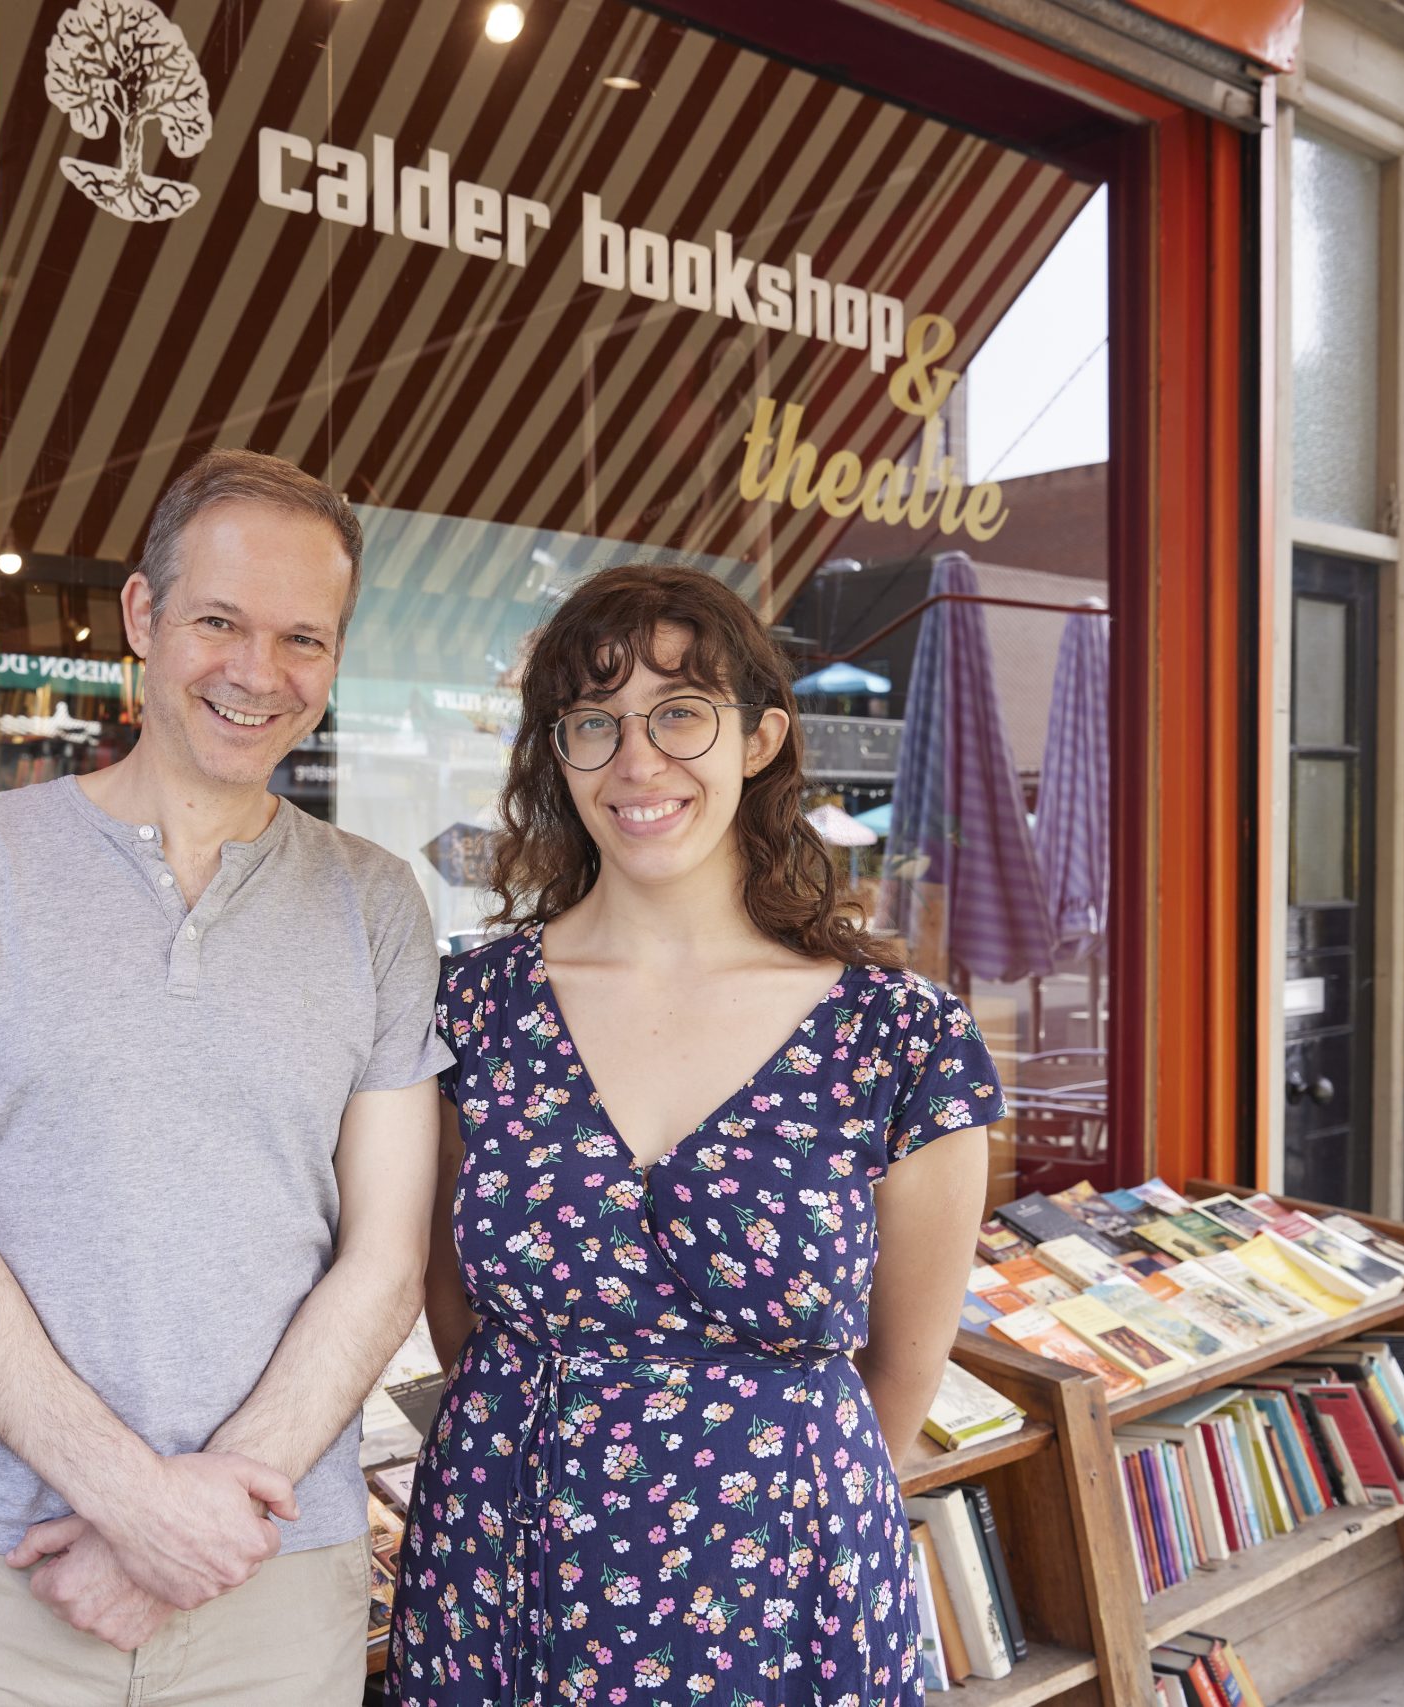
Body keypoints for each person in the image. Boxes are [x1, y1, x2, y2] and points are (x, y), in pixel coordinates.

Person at [0, 448, 450, 1705]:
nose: (258, 673)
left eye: (303, 640)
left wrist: (195, 1531)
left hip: (274, 1575)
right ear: (140, 615)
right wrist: (139, 1508)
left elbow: (385, 1260)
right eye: (218, 622)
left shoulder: (378, 900)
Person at [391, 564, 999, 1706]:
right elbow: (450, 1305)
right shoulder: (471, 1008)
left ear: (760, 738)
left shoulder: (896, 1037)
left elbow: (901, 1380)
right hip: (511, 1561)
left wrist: (753, 1507)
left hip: (785, 1580)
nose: (637, 762)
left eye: (679, 713)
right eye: (592, 723)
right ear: (553, 756)